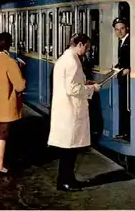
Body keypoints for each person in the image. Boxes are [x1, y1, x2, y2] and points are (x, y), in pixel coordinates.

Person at [48, 33, 101, 192]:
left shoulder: (65, 58)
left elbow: (72, 83)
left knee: (68, 149)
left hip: (66, 109)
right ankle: (65, 182)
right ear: (79, 44)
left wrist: (86, 83)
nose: (86, 51)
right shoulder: (72, 61)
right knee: (69, 150)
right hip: (70, 110)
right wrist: (92, 88)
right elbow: (72, 88)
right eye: (86, 47)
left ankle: (67, 179)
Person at [0, 32, 26, 174]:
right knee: (2, 136)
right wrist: (21, 70)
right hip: (5, 105)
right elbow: (20, 86)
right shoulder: (9, 62)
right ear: (8, 45)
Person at [112, 17, 130, 140]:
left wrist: (127, 69)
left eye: (122, 28)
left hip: (128, 81)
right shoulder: (122, 41)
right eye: (117, 29)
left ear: (126, 28)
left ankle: (126, 133)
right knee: (123, 105)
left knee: (125, 106)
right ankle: (124, 132)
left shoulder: (129, 42)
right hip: (123, 80)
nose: (119, 32)